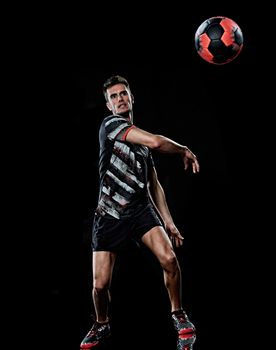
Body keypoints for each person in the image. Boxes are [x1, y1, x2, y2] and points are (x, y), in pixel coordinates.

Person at [80, 75, 200, 348]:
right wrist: (183, 149)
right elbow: (158, 142)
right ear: (109, 105)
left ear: (132, 97)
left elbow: (154, 184)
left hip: (139, 210)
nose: (120, 99)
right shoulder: (110, 125)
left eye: (124, 93)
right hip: (110, 214)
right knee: (100, 286)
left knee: (169, 259)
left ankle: (178, 314)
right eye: (114, 96)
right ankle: (101, 324)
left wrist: (169, 223)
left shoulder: (142, 144)